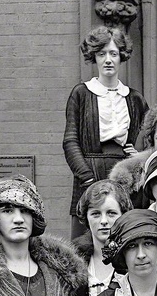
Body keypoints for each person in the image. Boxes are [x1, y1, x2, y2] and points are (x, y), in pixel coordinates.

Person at [63, 26, 148, 237]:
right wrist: (87, 178)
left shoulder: (134, 98)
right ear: (95, 57)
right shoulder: (81, 93)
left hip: (123, 173)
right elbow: (70, 141)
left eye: (113, 54)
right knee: (87, 239)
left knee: (125, 232)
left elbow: (151, 137)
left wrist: (140, 157)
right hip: (90, 171)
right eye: (102, 54)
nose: (108, 60)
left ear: (122, 57)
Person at [73, 179, 133, 296]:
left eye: (111, 213)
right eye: (96, 214)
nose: (104, 221)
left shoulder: (135, 258)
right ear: (86, 217)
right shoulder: (72, 260)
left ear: (123, 216)